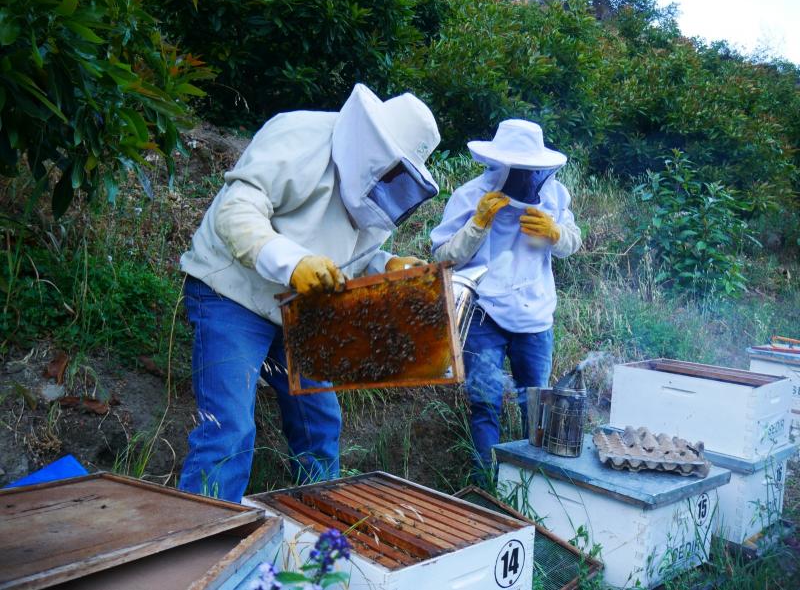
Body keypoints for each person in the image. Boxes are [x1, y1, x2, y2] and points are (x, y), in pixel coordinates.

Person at [179, 84, 440, 502]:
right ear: (373, 145)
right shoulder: (298, 134)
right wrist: (293, 262)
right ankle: (198, 546)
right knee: (228, 429)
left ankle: (320, 529)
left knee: (319, 423)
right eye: (392, 170)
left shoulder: (376, 189)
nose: (392, 182)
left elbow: (348, 255)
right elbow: (237, 211)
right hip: (233, 294)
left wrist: (384, 265)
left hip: (300, 311)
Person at [430, 119, 581, 483]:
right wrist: (477, 224)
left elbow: (573, 242)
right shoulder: (469, 196)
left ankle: (537, 488)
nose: (527, 176)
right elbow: (442, 259)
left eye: (531, 169)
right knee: (485, 405)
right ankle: (486, 490)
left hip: (535, 317)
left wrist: (556, 233)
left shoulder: (556, 195)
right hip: (483, 315)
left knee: (536, 408)